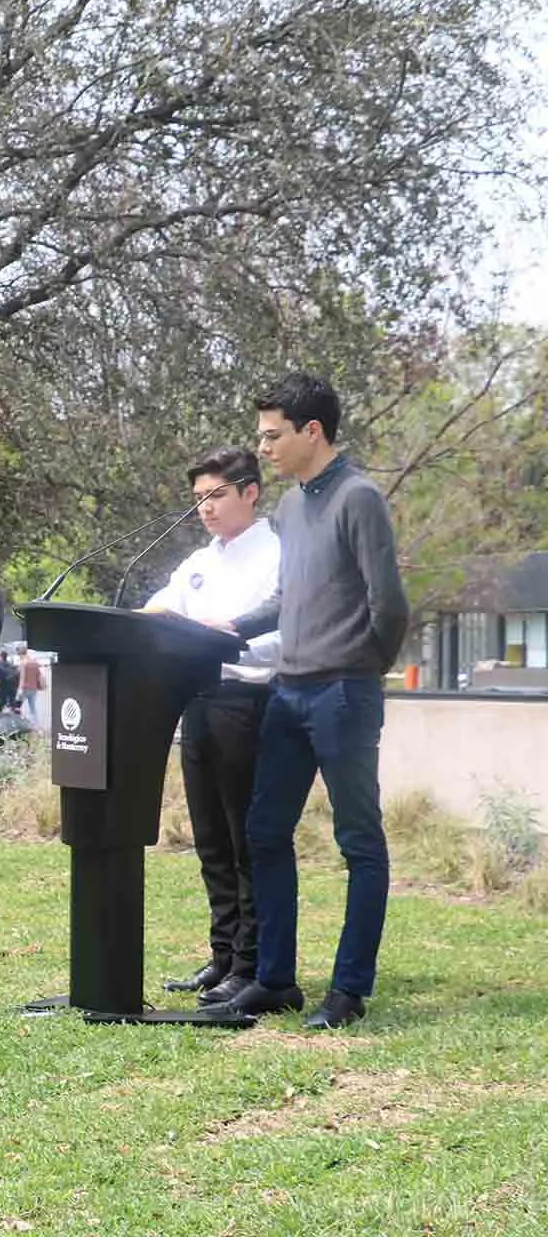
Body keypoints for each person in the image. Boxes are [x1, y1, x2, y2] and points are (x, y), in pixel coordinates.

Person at [209, 374, 409, 1031]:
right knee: (265, 833)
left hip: (343, 694)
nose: (262, 447)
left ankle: (348, 991)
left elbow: (390, 608)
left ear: (310, 432)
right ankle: (275, 981)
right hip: (287, 694)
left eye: (272, 435)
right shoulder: (292, 509)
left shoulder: (359, 498)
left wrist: (358, 669)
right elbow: (287, 602)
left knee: (359, 842)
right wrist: (228, 627)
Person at [141, 447, 281, 1008]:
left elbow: (278, 633)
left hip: (246, 700)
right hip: (195, 699)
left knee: (242, 837)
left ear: (250, 491)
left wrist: (209, 630)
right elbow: (157, 608)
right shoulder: (200, 562)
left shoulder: (277, 552)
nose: (206, 508)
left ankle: (251, 964)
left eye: (216, 494)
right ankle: (222, 954)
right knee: (211, 841)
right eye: (198, 498)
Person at [17, 647, 45, 725]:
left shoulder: (23, 663)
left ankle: (19, 723)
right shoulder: (34, 662)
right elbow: (38, 675)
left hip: (25, 688)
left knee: (17, 707)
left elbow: (22, 677)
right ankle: (35, 724)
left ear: (20, 654)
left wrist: (20, 689)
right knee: (32, 707)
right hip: (34, 688)